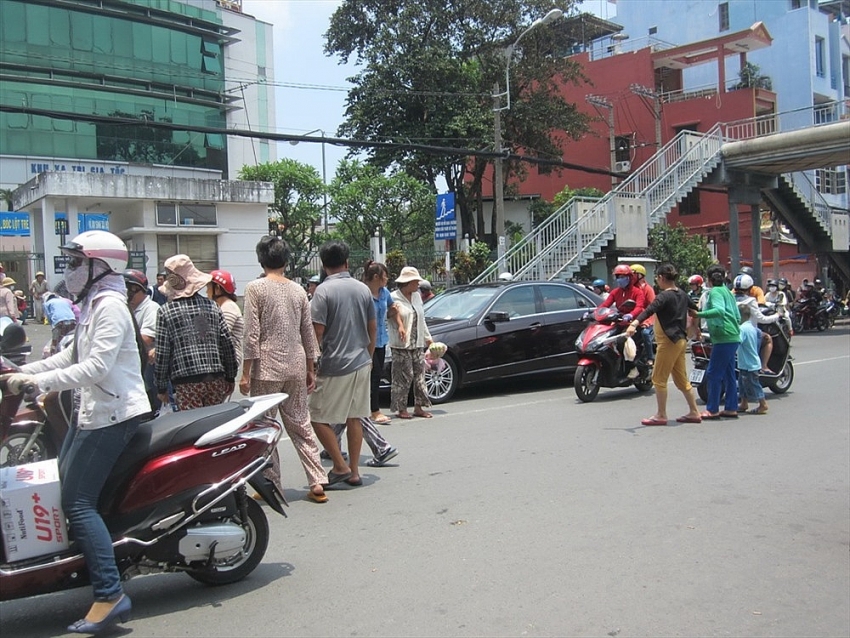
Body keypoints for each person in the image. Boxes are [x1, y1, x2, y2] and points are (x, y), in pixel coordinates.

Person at [2, 230, 148, 635]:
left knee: (77, 503)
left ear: (101, 267)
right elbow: (72, 355)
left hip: (113, 415)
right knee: (64, 487)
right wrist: (21, 372)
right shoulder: (95, 304)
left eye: (77, 262)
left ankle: (110, 593)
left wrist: (39, 384)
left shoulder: (111, 307)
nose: (70, 270)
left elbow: (96, 367)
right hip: (92, 411)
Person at [239, 236, 328, 503]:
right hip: (295, 365)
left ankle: (272, 484)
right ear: (286, 261)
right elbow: (307, 332)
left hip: (266, 368)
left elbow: (251, 333)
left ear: (261, 260)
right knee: (300, 423)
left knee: (265, 428)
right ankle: (317, 479)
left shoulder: (255, 288)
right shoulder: (298, 290)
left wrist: (245, 373)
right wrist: (311, 367)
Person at [309, 240, 376, 488]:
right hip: (361, 361)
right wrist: (368, 356)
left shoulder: (323, 292)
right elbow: (372, 327)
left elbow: (317, 333)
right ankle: (354, 471)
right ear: (347, 262)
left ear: (323, 265)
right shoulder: (362, 289)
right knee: (354, 417)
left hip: (335, 364)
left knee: (316, 416)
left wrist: (311, 366)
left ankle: (340, 465)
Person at [154, 255, 238, 411]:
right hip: (215, 377)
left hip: (186, 381)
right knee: (215, 421)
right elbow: (226, 343)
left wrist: (161, 386)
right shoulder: (213, 306)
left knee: (194, 423)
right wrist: (230, 376)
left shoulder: (165, 312)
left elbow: (163, 353)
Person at [625, 263, 702, 425]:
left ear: (661, 278)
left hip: (668, 341)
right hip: (680, 340)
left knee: (658, 378)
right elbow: (695, 310)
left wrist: (634, 324)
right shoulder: (682, 294)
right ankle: (694, 412)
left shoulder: (664, 296)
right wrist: (696, 327)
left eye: (657, 278)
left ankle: (661, 414)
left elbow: (648, 310)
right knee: (681, 379)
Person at [693, 264, 741, 420]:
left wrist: (699, 314)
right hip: (732, 335)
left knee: (713, 373)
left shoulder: (715, 292)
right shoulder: (728, 292)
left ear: (708, 279)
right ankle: (731, 408)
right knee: (729, 374)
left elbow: (719, 311)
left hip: (723, 337)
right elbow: (738, 316)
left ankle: (712, 409)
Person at [389, 266, 433, 419]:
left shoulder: (417, 296)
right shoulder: (393, 297)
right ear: (407, 282)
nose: (418, 285)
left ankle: (419, 407)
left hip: (417, 342)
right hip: (401, 344)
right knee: (403, 377)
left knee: (420, 376)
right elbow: (389, 316)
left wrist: (428, 338)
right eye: (415, 282)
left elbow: (422, 319)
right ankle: (401, 408)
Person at [124, 269, 160, 412]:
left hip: (149, 363)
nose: (127, 294)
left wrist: (120, 341)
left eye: (131, 290)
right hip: (132, 363)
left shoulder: (151, 309)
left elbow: (146, 339)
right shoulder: (127, 308)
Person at [733, 273, 779, 374]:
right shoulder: (750, 300)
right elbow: (761, 318)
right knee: (767, 338)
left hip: (731, 330)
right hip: (750, 332)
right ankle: (764, 366)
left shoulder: (730, 298)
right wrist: (776, 316)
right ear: (750, 288)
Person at [736, 302, 769, 415]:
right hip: (747, 362)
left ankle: (763, 404)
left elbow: (738, 341)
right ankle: (744, 403)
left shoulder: (742, 329)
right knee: (742, 384)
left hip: (749, 363)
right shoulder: (751, 327)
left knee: (753, 384)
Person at [207, 269, 244, 369]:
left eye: (208, 287)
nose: (206, 291)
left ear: (217, 288)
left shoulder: (228, 307)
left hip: (227, 360)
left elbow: (220, 334)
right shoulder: (223, 306)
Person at [631, 264, 656, 365]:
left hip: (647, 319)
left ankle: (650, 358)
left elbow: (652, 307)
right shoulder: (631, 289)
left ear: (640, 275)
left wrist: (646, 322)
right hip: (633, 319)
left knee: (645, 333)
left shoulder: (648, 289)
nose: (631, 277)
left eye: (633, 275)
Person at [42, 291, 78, 357]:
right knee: (70, 338)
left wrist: (53, 327)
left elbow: (49, 317)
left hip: (59, 321)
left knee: (55, 341)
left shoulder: (47, 304)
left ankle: (52, 355)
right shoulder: (63, 301)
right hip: (72, 320)